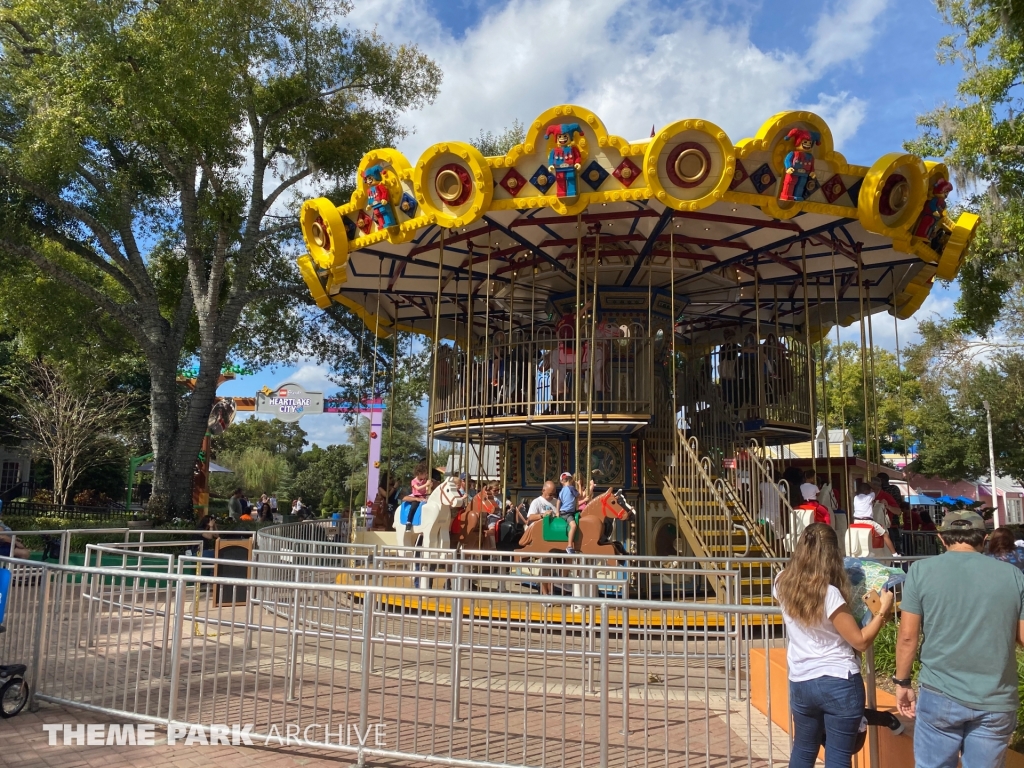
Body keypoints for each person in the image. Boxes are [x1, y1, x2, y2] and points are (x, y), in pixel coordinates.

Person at [894, 510, 1024, 768]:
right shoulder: (1014, 576)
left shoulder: (920, 571)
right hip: (996, 697)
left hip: (940, 693)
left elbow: (908, 637)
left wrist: (902, 682)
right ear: (984, 539)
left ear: (942, 539)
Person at [774, 524, 894, 768]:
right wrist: (882, 611)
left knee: (803, 748)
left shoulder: (781, 582)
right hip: (838, 679)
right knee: (838, 756)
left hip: (801, 680)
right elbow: (859, 641)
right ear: (832, 553)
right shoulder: (830, 594)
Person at [848, 482, 897, 560]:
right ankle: (895, 554)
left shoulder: (856, 498)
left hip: (856, 521)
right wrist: (872, 489)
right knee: (885, 534)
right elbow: (874, 492)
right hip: (867, 521)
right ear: (867, 491)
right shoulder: (870, 496)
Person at [403, 462, 431, 532]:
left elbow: (426, 490)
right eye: (425, 474)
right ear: (419, 474)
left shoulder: (424, 481)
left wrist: (429, 486)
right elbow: (418, 488)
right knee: (413, 507)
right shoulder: (414, 481)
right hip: (416, 497)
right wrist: (426, 484)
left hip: (424, 496)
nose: (426, 475)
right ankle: (408, 522)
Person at [558, 472, 580, 554]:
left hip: (563, 511)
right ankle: (569, 546)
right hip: (568, 513)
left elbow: (558, 502)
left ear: (561, 482)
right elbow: (579, 495)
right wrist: (580, 486)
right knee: (573, 526)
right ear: (571, 480)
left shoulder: (562, 491)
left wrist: (557, 512)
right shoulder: (571, 488)